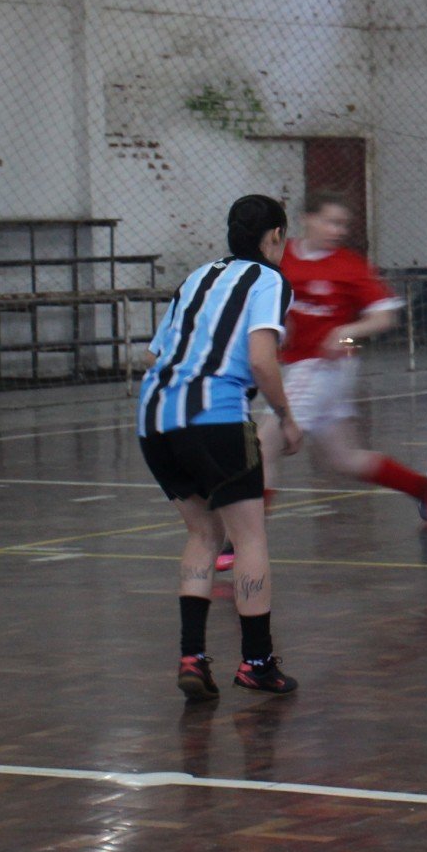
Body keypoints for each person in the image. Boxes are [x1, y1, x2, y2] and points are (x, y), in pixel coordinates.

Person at [138, 194, 303, 700]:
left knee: (202, 534)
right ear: (274, 236)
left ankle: (192, 656)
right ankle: (256, 662)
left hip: (154, 416)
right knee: (249, 538)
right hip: (216, 416)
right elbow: (260, 359)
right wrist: (285, 416)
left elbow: (155, 351)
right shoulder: (271, 281)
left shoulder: (198, 276)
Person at [255, 192, 427, 531]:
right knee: (344, 458)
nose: (337, 230)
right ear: (306, 219)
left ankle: (243, 539)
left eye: (343, 224)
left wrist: (345, 334)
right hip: (301, 366)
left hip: (324, 367)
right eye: (330, 221)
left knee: (264, 442)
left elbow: (384, 319)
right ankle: (424, 489)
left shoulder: (348, 265)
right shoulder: (282, 259)